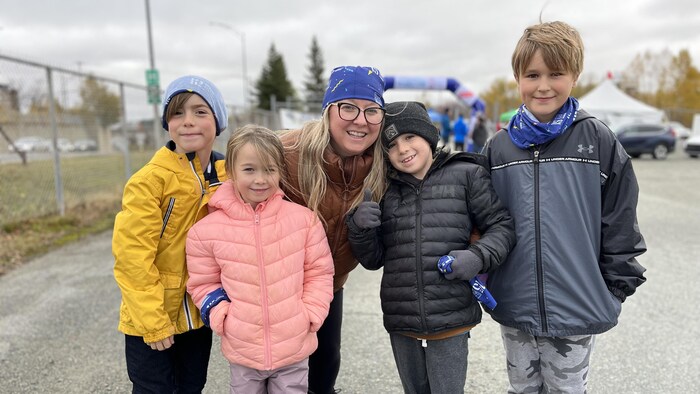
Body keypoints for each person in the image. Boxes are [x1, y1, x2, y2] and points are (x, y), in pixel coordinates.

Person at [483, 21, 647, 393]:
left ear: (575, 76)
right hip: (515, 302)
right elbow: (481, 216)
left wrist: (614, 287)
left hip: (577, 304)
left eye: (556, 73)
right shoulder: (498, 148)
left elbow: (620, 218)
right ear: (517, 78)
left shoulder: (598, 140)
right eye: (532, 74)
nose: (543, 85)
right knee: (521, 388)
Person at [347, 101, 516, 393]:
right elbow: (374, 259)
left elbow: (502, 227)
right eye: (392, 144)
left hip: (451, 316)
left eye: (410, 137)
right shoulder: (383, 189)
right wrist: (358, 227)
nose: (403, 149)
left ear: (428, 135)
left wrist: (476, 257)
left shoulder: (466, 175)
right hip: (402, 319)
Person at [185, 125, 335, 393]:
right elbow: (202, 283)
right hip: (243, 351)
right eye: (249, 169)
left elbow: (319, 272)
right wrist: (223, 317)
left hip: (294, 346)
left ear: (280, 171)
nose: (260, 179)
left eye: (269, 170)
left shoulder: (304, 220)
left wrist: (311, 314)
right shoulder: (205, 231)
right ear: (230, 170)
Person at [112, 75, 228, 392]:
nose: (188, 121)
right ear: (167, 123)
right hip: (152, 316)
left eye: (200, 112)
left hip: (197, 313)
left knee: (191, 386)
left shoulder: (228, 175)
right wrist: (153, 321)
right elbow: (132, 259)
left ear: (218, 121)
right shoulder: (149, 181)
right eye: (177, 113)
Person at [279, 65, 387, 394]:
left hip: (331, 285)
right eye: (348, 107)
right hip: (279, 290)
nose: (361, 120)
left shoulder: (384, 164)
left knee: (326, 366)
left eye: (372, 110)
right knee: (280, 375)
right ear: (329, 110)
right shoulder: (287, 153)